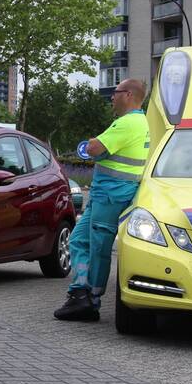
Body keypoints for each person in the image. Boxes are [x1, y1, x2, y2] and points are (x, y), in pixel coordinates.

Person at [54, 78, 149, 322]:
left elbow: (93, 148)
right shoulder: (136, 122)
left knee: (98, 246)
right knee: (78, 240)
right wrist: (97, 147)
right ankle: (80, 291)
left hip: (111, 194)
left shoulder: (128, 124)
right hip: (104, 193)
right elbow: (98, 149)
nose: (112, 97)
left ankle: (90, 300)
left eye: (115, 92)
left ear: (128, 95)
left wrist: (93, 145)